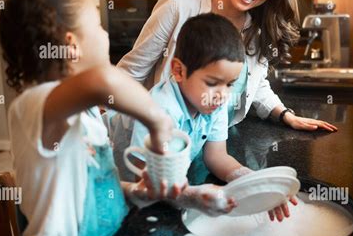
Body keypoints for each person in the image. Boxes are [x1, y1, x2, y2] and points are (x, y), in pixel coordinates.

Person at [0, 0, 180, 236]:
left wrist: (132, 191)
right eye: (98, 26)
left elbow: (88, 182)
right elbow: (103, 81)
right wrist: (158, 122)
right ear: (71, 45)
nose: (105, 34)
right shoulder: (32, 105)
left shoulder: (89, 111)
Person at [117, 0, 337, 132]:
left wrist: (284, 115)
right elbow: (130, 74)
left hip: (217, 141)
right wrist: (99, 130)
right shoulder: (177, 7)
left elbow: (255, 83)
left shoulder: (260, 28)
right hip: (163, 138)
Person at [118, 13, 298, 221]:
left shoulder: (214, 102)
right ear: (178, 71)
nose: (223, 94)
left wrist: (255, 184)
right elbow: (145, 183)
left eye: (230, 83)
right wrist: (192, 197)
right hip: (122, 191)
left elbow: (217, 157)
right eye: (212, 83)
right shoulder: (158, 111)